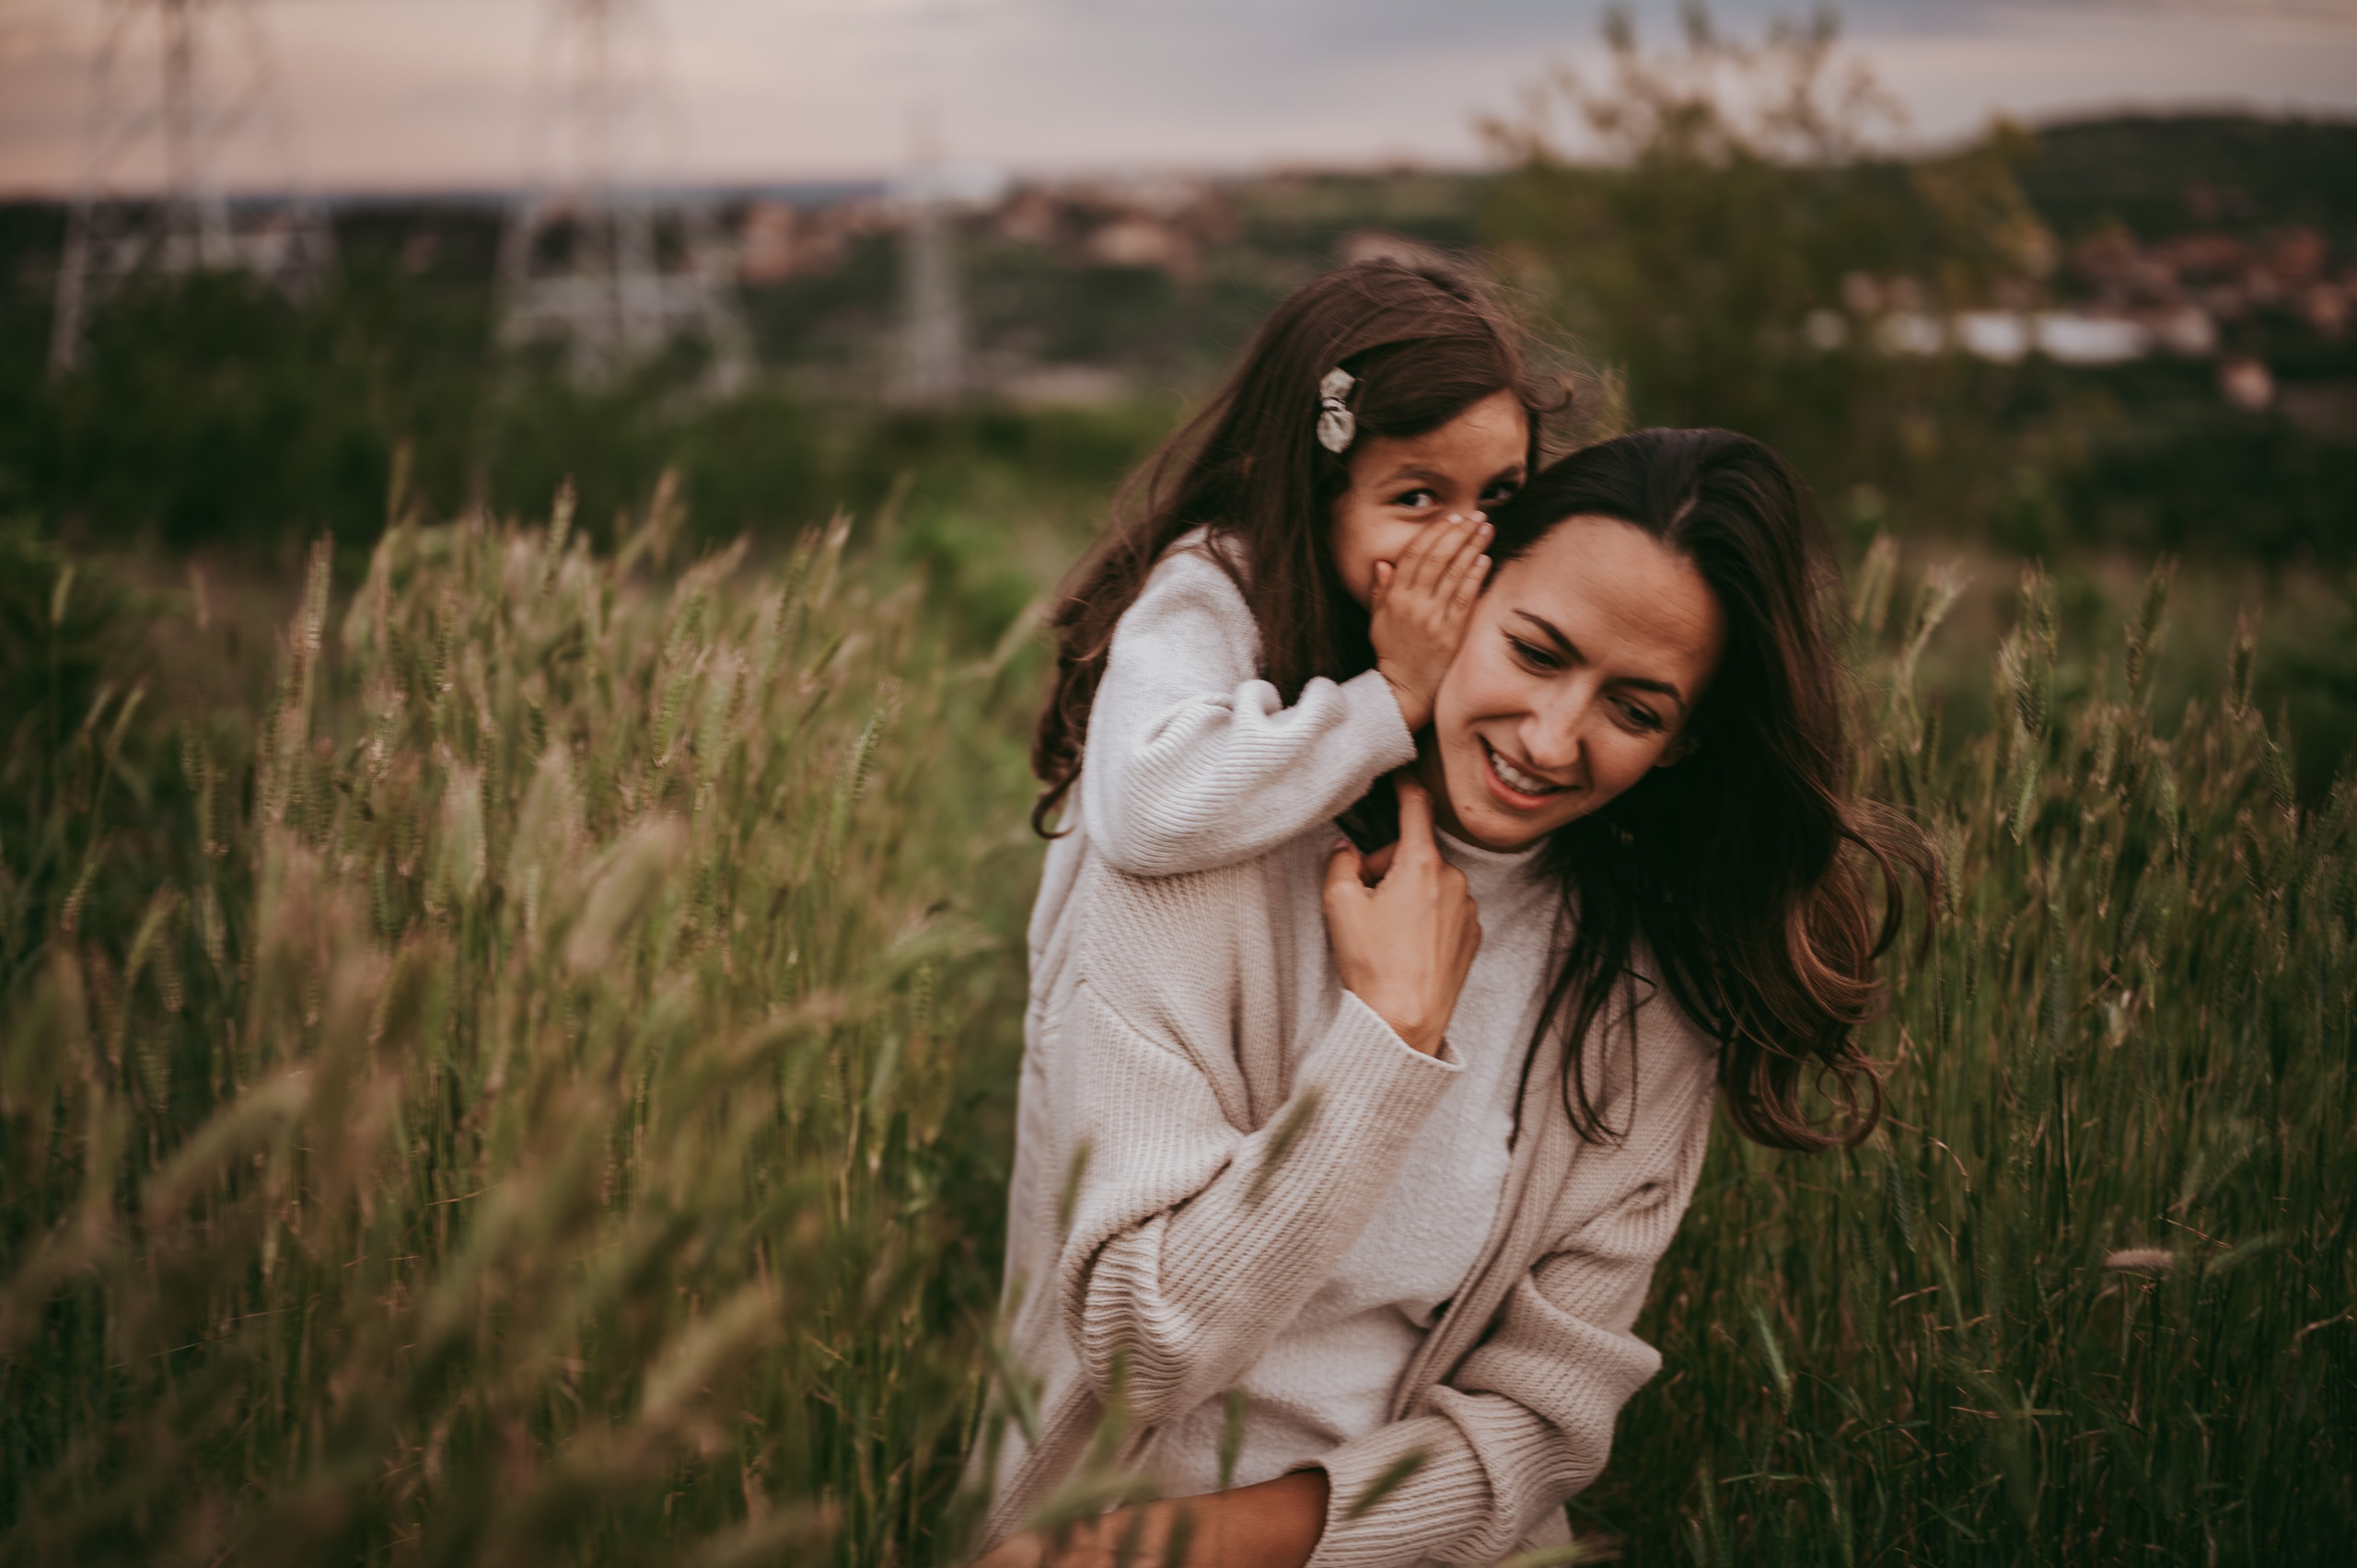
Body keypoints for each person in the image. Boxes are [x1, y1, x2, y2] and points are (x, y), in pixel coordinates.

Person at [979, 428, 1934, 1567]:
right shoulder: (1202, 857)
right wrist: (1388, 1044)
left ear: (1683, 745)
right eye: (1534, 651)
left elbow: (1543, 1415)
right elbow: (1143, 1348)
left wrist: (1234, 1540)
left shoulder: (1650, 994)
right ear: (1451, 597)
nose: (1549, 737)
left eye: (1633, 710)